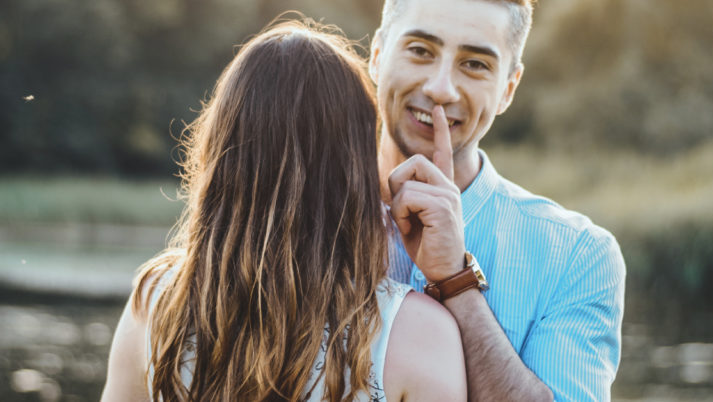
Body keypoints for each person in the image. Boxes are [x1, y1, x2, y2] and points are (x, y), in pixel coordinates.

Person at [101, 20, 466, 401]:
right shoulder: (420, 334)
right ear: (354, 167)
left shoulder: (157, 302)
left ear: (219, 152)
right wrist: (453, 278)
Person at [369, 0, 626, 400]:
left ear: (508, 88)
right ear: (378, 55)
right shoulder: (290, 219)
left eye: (475, 64)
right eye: (420, 50)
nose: (440, 88)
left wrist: (456, 283)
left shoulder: (578, 256)